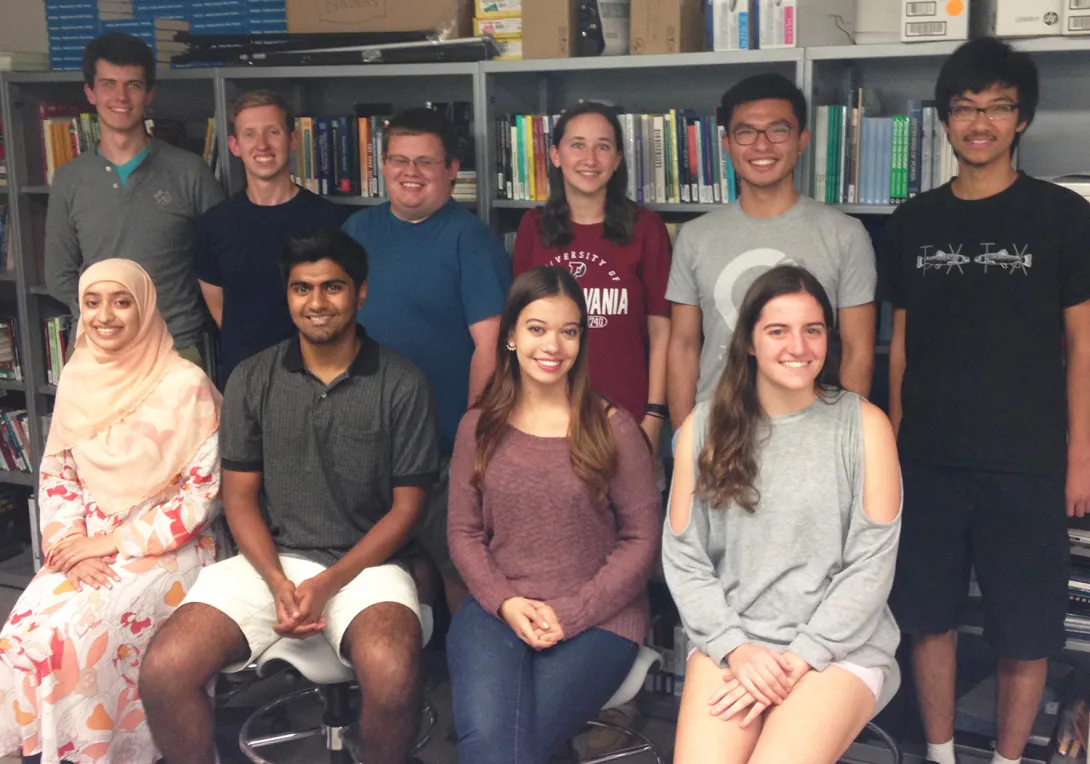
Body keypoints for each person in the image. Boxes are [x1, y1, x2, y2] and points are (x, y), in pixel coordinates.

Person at [139, 228, 439, 764]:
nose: (317, 303)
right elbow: (240, 500)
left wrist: (325, 584)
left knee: (393, 677)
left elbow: (407, 510)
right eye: (302, 289)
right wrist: (279, 580)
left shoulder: (402, 383)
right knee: (165, 670)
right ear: (288, 295)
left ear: (360, 293)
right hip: (268, 565)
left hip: (368, 567)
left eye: (333, 287)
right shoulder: (253, 379)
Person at [880, 38, 1090, 764]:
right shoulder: (912, 221)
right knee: (928, 620)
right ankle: (939, 755)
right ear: (944, 119)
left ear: (1022, 118)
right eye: (965, 108)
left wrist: (1080, 458)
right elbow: (900, 348)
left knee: (1025, 633)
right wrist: (898, 452)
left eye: (997, 108)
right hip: (929, 462)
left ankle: (1006, 760)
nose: (980, 123)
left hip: (1027, 463)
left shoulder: (1062, 216)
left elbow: (1083, 344)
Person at [663, 264, 902, 764]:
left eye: (812, 330)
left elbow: (870, 568)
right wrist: (736, 648)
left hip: (837, 649)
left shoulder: (865, 426)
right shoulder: (703, 426)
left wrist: (798, 658)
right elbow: (685, 560)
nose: (799, 346)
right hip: (733, 639)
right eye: (778, 331)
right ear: (749, 342)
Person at [0, 259, 222, 764]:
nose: (106, 316)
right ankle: (47, 749)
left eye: (122, 302)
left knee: (79, 635)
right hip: (81, 544)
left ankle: (107, 753)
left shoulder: (186, 384)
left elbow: (201, 499)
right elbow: (58, 476)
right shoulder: (78, 374)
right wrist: (67, 548)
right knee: (21, 632)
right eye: (93, 302)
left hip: (169, 546)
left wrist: (111, 542)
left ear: (144, 307)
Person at [445, 265, 661, 764]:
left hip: (598, 616)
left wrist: (573, 613)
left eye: (569, 331)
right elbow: (463, 532)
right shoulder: (478, 426)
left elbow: (641, 540)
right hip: (497, 607)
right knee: (491, 745)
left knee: (510, 751)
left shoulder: (613, 427)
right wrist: (505, 602)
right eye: (537, 329)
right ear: (512, 338)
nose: (553, 346)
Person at [342, 107, 512, 613]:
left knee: (456, 561)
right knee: (381, 567)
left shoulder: (470, 238)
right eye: (398, 160)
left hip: (443, 440)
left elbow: (492, 344)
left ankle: (465, 674)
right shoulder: (356, 229)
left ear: (451, 168)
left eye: (425, 162)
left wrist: (472, 432)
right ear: (383, 164)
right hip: (365, 434)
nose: (409, 173)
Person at [665, 73, 877, 432]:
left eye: (778, 131)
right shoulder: (695, 236)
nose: (761, 146)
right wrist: (685, 436)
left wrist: (845, 438)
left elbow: (858, 351)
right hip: (719, 429)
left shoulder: (845, 234)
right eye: (746, 132)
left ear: (801, 141)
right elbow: (683, 346)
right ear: (727, 144)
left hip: (814, 432)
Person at [44, 32, 224, 367]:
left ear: (149, 93)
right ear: (90, 92)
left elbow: (222, 261)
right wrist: (107, 321)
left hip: (174, 352)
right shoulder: (69, 179)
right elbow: (59, 276)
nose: (121, 97)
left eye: (133, 85)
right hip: (97, 355)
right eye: (108, 84)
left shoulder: (189, 172)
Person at [512, 102, 672, 450]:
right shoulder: (533, 228)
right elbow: (519, 326)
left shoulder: (647, 228)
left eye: (603, 146)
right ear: (555, 155)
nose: (590, 158)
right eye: (577, 145)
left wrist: (655, 414)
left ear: (616, 160)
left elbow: (662, 332)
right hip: (545, 416)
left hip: (627, 416)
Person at [194, 90, 346, 387]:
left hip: (319, 378)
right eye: (250, 134)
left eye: (272, 132)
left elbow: (342, 303)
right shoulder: (213, 225)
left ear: (292, 140)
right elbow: (222, 311)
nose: (262, 144)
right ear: (235, 146)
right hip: (244, 379)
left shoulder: (331, 221)